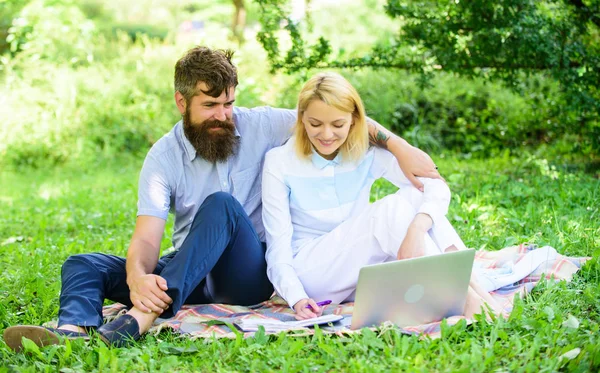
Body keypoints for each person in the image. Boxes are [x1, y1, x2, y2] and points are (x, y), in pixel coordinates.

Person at [4, 47, 440, 351]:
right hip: (189, 271)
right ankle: (74, 329)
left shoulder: (263, 124)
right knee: (83, 264)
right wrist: (138, 276)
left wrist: (399, 147)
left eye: (229, 103)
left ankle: (141, 319)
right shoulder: (162, 158)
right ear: (181, 101)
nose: (224, 115)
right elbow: (146, 238)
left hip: (246, 276)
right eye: (211, 105)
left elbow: (338, 115)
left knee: (223, 206)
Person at [262, 72, 501, 320]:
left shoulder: (364, 152)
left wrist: (418, 228)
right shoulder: (279, 162)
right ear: (301, 118)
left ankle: (473, 288)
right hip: (313, 273)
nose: (326, 134)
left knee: (414, 198)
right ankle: (468, 300)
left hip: (361, 268)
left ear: (354, 121)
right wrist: (296, 298)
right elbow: (277, 248)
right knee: (389, 211)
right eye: (315, 124)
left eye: (338, 125)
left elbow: (434, 185)